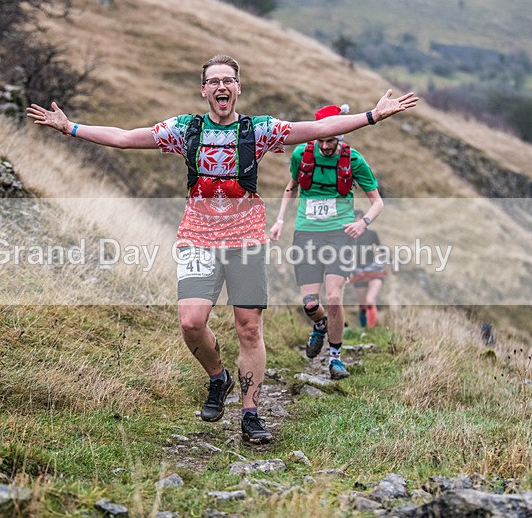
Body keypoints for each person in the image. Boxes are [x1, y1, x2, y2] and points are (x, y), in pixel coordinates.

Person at [27, 55, 418, 444]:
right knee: (190, 322)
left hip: (246, 238)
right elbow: (127, 138)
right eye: (213, 81)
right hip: (197, 236)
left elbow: (318, 127)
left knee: (248, 328)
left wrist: (371, 116)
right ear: (203, 90)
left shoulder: (259, 130)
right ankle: (219, 378)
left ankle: (250, 413)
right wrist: (70, 128)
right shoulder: (185, 130)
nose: (221, 87)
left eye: (228, 80)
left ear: (238, 87)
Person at [269, 105, 383, 379]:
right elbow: (292, 186)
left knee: (333, 297)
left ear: (340, 137)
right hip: (306, 233)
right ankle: (319, 325)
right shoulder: (301, 155)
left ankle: (335, 359)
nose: (326, 145)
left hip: (339, 234)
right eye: (322, 139)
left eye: (331, 140)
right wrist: (280, 220)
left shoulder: (353, 160)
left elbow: (377, 202)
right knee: (310, 303)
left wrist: (362, 222)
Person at [348, 208, 387, 328]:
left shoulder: (371, 234)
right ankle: (363, 329)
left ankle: (371, 329)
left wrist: (392, 261)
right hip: (358, 271)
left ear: (360, 217)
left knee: (370, 300)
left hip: (374, 270)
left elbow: (381, 249)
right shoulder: (350, 236)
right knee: (362, 304)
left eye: (354, 218)